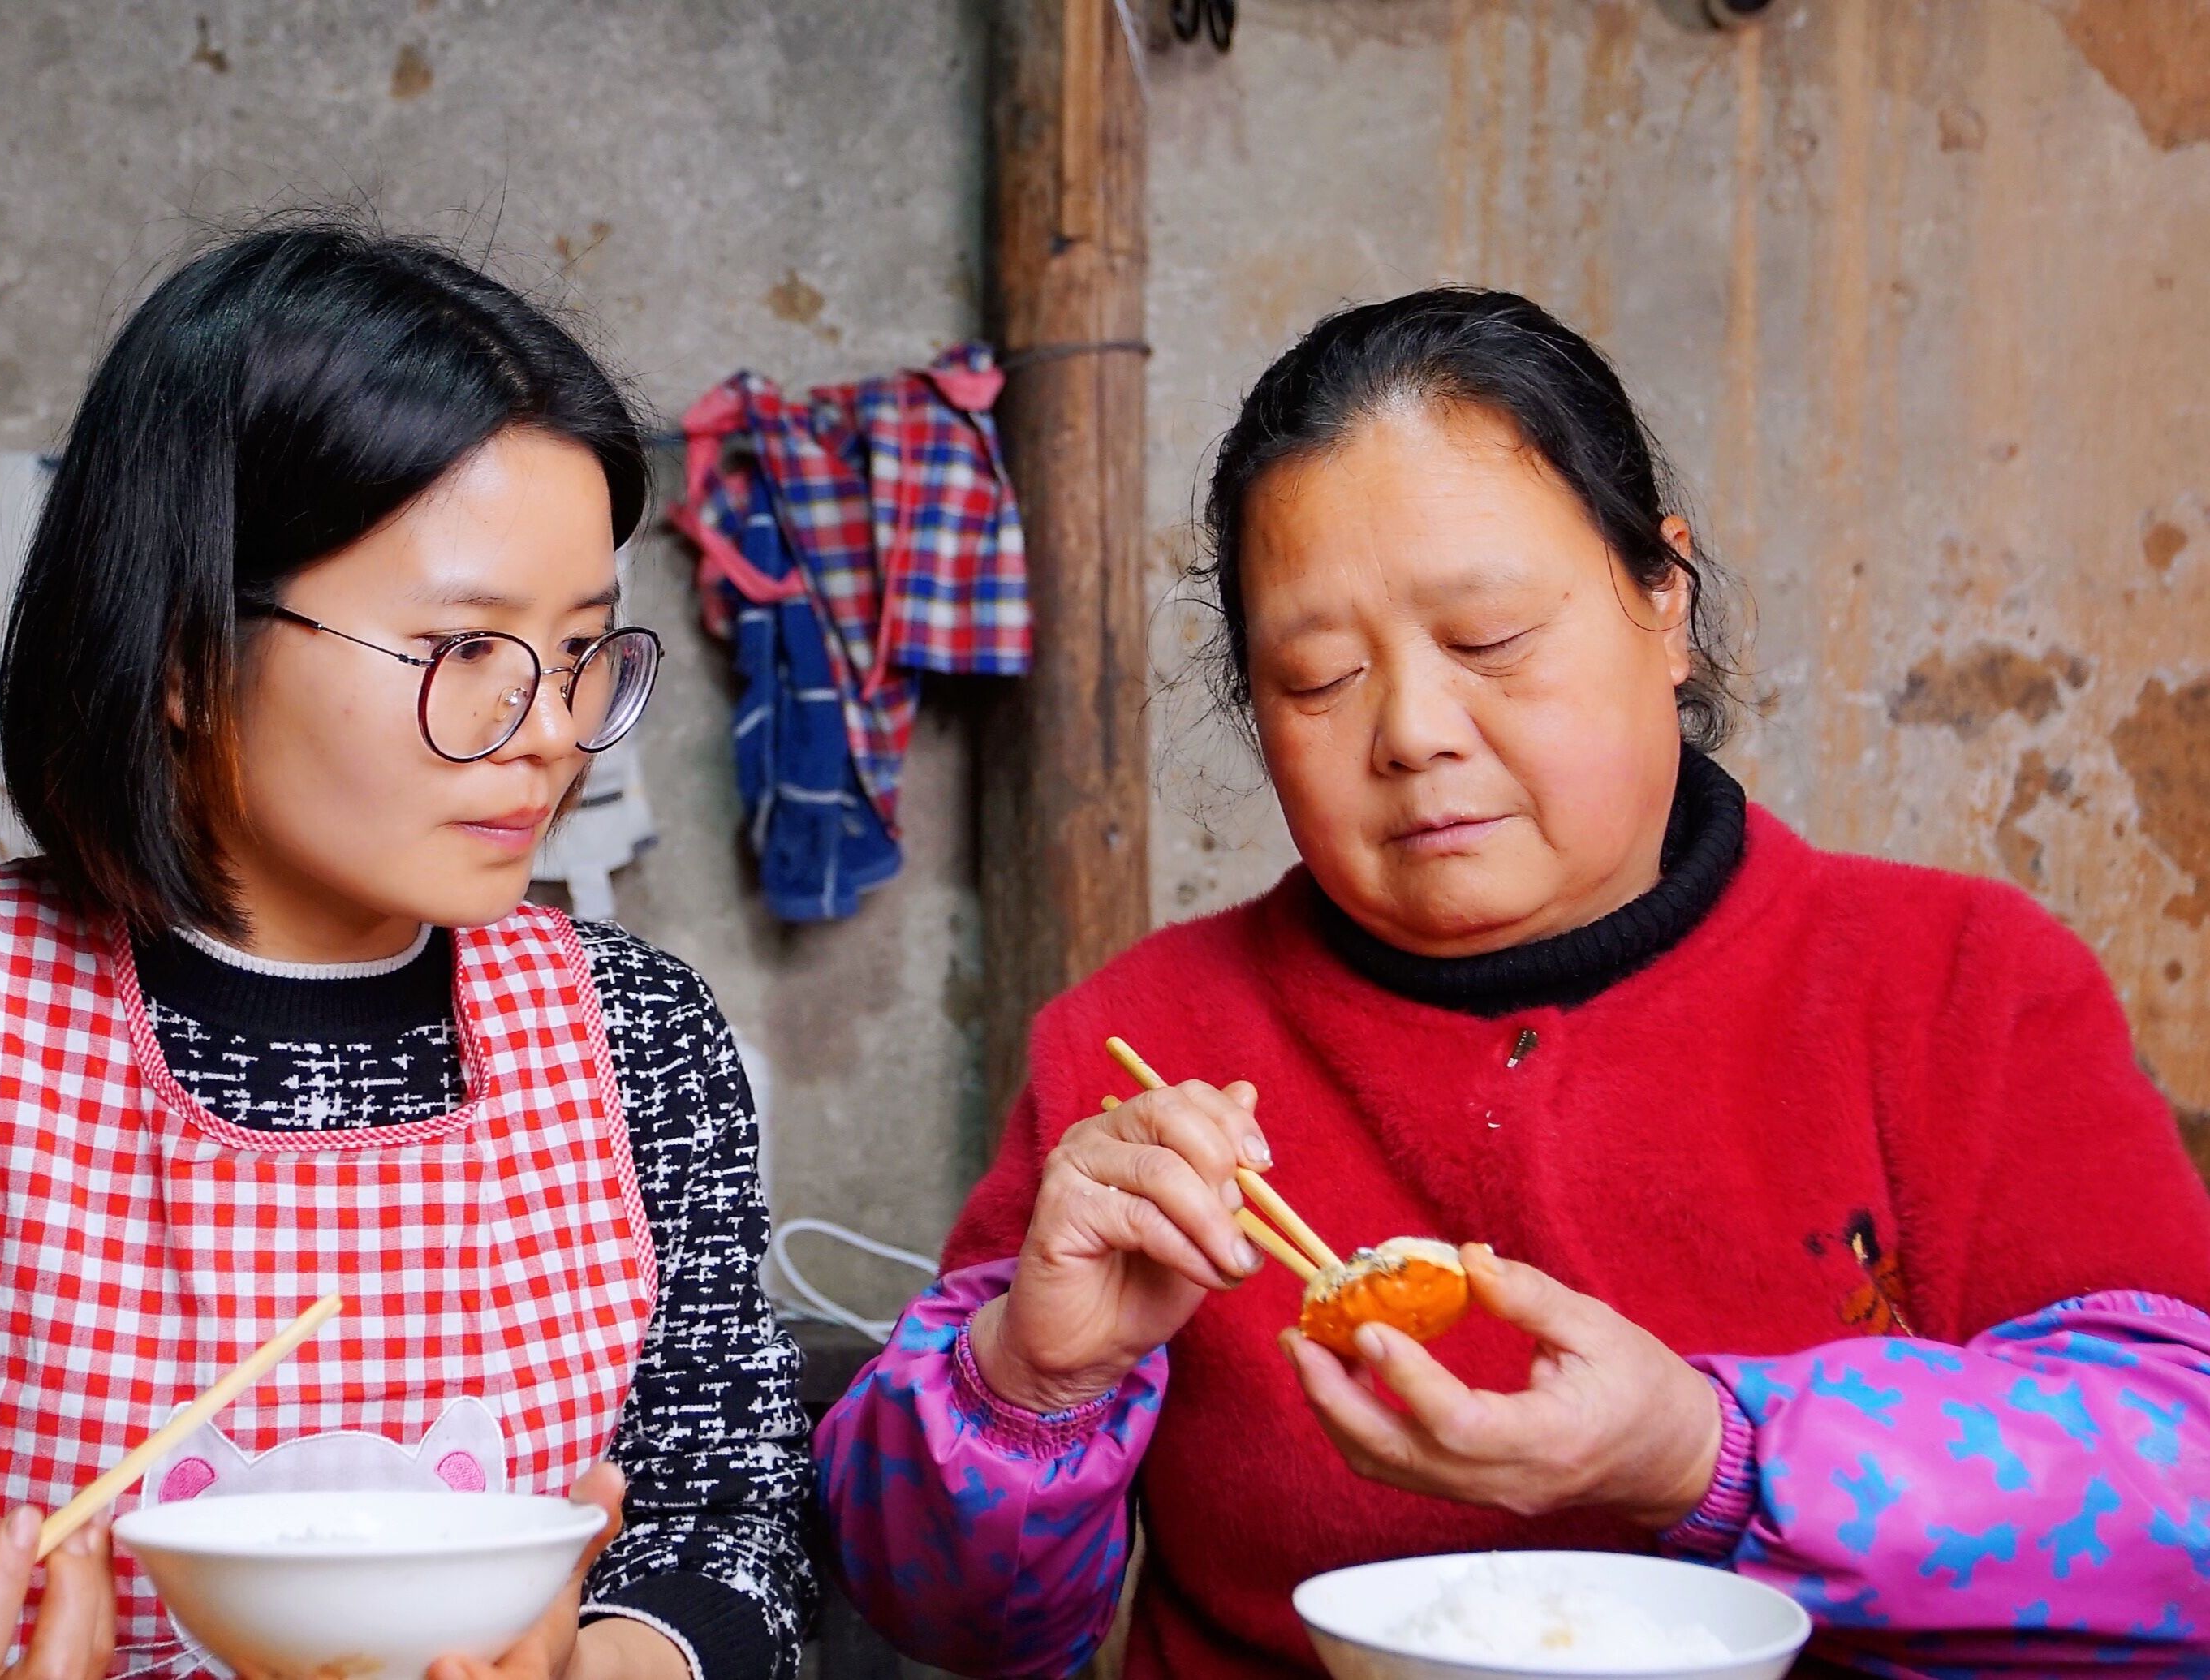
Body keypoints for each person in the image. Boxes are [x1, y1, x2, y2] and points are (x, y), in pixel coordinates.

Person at [814, 289, 2210, 1678]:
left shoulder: (1958, 985)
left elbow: (2183, 1512)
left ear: (1666, 599)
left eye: (1488, 642)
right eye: (1318, 678)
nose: (1415, 732)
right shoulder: (1143, 1058)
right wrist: (1029, 1382)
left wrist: (1708, 1456)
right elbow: (947, 1617)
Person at [0, 220, 812, 1680]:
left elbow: (727, 1539)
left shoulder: (640, 1043)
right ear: (182, 657)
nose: (547, 733)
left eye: (584, 650)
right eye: (466, 650)